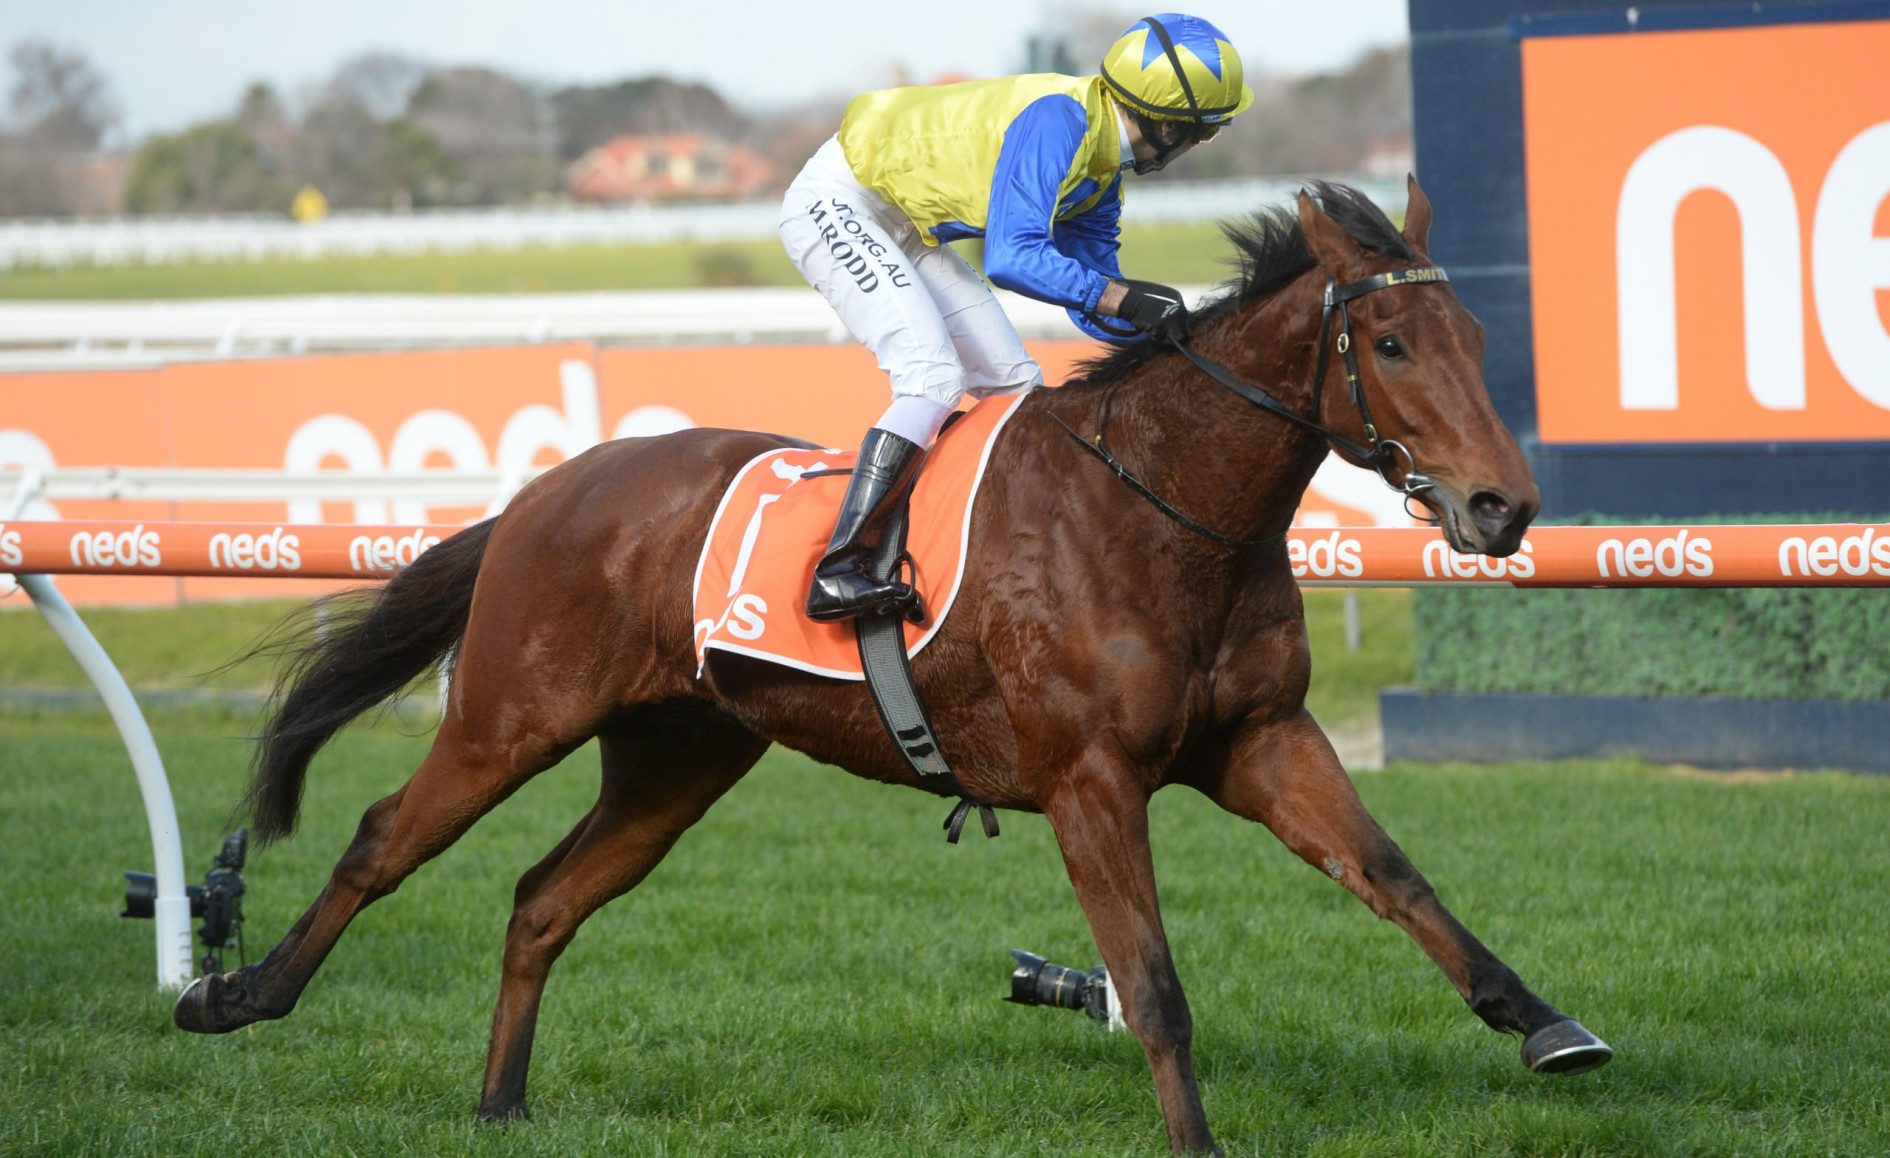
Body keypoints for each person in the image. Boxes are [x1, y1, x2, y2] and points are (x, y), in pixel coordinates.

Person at [780, 13, 1255, 623]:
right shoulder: (1060, 122)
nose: (1199, 146)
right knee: (931, 377)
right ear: (1167, 126)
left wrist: (1170, 329)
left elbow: (1095, 300)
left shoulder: (1100, 174)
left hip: (904, 221)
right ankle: (839, 566)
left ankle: (980, 549)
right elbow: (1012, 258)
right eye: (1204, 133)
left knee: (1015, 389)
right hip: (838, 200)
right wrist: (1125, 300)